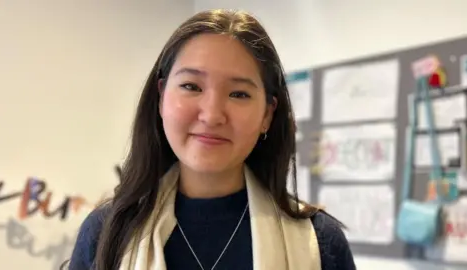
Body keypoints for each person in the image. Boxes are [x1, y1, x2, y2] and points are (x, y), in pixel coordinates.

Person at [67, 9, 356, 270]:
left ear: (267, 113)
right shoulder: (106, 233)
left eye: (239, 94)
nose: (212, 115)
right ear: (161, 99)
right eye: (191, 86)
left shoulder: (319, 242)